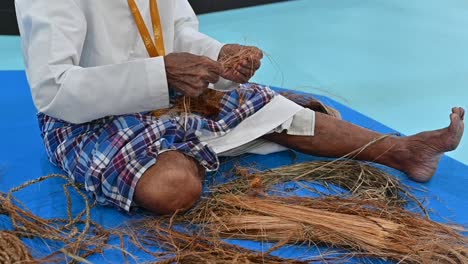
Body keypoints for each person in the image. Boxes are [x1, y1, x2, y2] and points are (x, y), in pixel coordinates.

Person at [15, 0, 464, 215]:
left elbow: (181, 32)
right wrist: (162, 76)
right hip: (87, 117)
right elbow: (54, 91)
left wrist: (220, 55)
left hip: (170, 91)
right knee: (173, 188)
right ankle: (206, 143)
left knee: (275, 106)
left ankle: (403, 151)